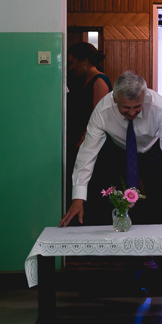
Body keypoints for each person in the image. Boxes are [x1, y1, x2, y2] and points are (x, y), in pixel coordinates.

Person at [59, 71, 162, 227]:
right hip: (119, 152)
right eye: (126, 107)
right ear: (115, 99)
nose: (132, 112)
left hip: (154, 151)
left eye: (137, 107)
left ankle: (157, 241)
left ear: (144, 97)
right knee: (118, 202)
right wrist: (78, 198)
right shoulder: (102, 110)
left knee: (158, 201)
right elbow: (87, 154)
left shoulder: (159, 106)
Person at [65, 42, 112, 206]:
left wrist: (84, 140)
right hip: (83, 141)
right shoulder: (84, 80)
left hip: (92, 143)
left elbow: (97, 117)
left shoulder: (99, 81)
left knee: (94, 186)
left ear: (84, 61)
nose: (72, 67)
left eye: (73, 62)